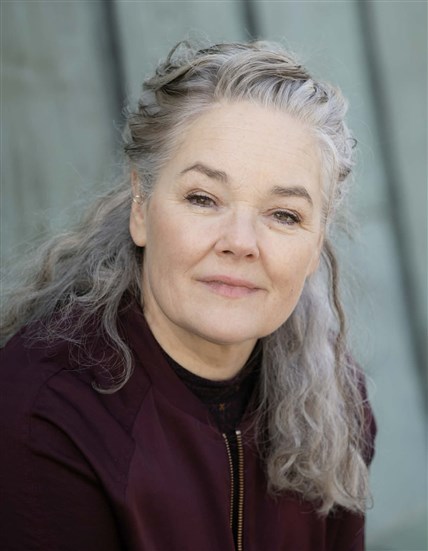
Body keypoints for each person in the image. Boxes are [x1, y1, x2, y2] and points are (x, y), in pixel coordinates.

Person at [0, 40, 376, 551]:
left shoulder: (334, 400)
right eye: (203, 199)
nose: (240, 242)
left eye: (284, 214)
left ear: (316, 244)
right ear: (141, 208)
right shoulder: (44, 417)